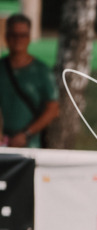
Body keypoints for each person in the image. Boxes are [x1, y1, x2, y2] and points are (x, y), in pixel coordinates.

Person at [0, 14, 59, 148]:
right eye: (13, 35)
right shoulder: (2, 68)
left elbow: (53, 109)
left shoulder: (41, 71)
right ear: (6, 37)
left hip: (30, 144)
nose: (18, 40)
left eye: (22, 35)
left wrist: (26, 134)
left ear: (29, 38)